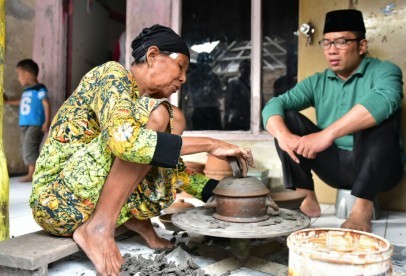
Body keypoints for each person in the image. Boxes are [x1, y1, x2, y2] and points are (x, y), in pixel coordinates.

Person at [29, 24, 254, 276]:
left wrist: (220, 194)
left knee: (171, 119)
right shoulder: (111, 75)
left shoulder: (137, 103)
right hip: (56, 201)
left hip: (85, 197)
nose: (184, 78)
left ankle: (133, 219)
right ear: (152, 55)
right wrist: (212, 144)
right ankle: (99, 227)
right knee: (159, 116)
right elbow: (126, 142)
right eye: (181, 67)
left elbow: (167, 167)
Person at [262, 9, 405, 233]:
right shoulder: (318, 81)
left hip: (382, 168)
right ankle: (306, 198)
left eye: (341, 42)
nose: (332, 50)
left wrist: (326, 134)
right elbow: (273, 105)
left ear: (362, 45)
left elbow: (386, 99)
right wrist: (284, 136)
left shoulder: (385, 71)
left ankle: (362, 209)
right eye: (326, 43)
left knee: (381, 118)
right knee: (285, 118)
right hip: (335, 166)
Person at [4, 59, 51, 182]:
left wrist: (47, 121)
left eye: (19, 75)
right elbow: (22, 102)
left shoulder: (40, 88)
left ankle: (32, 173)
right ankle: (34, 171)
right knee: (25, 147)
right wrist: (7, 101)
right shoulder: (27, 91)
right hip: (25, 124)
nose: (18, 78)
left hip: (36, 123)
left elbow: (46, 103)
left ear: (27, 74)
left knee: (29, 146)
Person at [183, 52, 224, 130]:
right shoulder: (191, 77)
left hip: (213, 109)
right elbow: (186, 95)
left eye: (208, 65)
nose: (207, 67)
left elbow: (220, 94)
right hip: (199, 110)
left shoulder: (215, 77)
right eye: (204, 65)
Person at [223, 59, 251, 130]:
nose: (245, 70)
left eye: (247, 68)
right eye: (243, 68)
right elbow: (228, 101)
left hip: (248, 118)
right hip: (236, 118)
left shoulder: (253, 83)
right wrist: (226, 117)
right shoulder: (233, 83)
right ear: (239, 69)